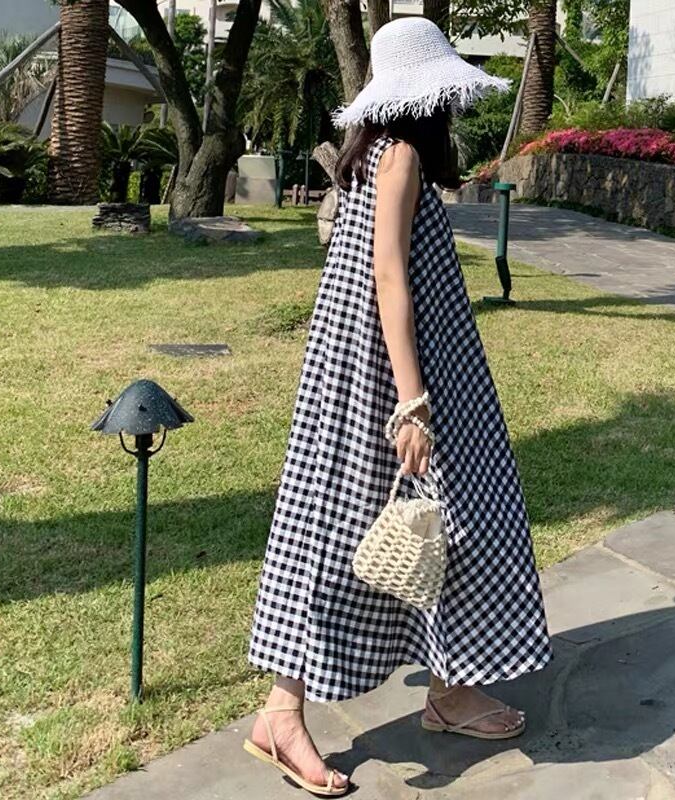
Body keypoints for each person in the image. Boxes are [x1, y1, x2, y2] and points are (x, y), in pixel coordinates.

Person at [244, 17, 552, 796]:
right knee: (348, 531)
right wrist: (411, 403)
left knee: (425, 520)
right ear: (428, 96)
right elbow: (388, 275)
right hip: (390, 380)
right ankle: (282, 714)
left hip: (380, 371)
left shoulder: (374, 153)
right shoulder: (401, 156)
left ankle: (449, 689)